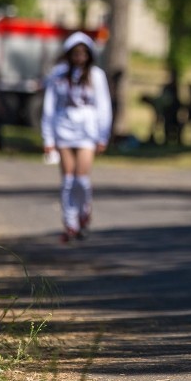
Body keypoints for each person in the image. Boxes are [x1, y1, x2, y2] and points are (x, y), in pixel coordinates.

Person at [41, 32, 112, 242]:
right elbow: (50, 107)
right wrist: (48, 139)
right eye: (75, 53)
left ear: (89, 55)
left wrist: (103, 136)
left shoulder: (97, 75)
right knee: (68, 180)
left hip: (87, 132)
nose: (79, 57)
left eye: (83, 53)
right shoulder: (58, 74)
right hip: (63, 130)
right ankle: (70, 222)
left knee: (82, 180)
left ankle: (84, 211)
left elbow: (104, 106)